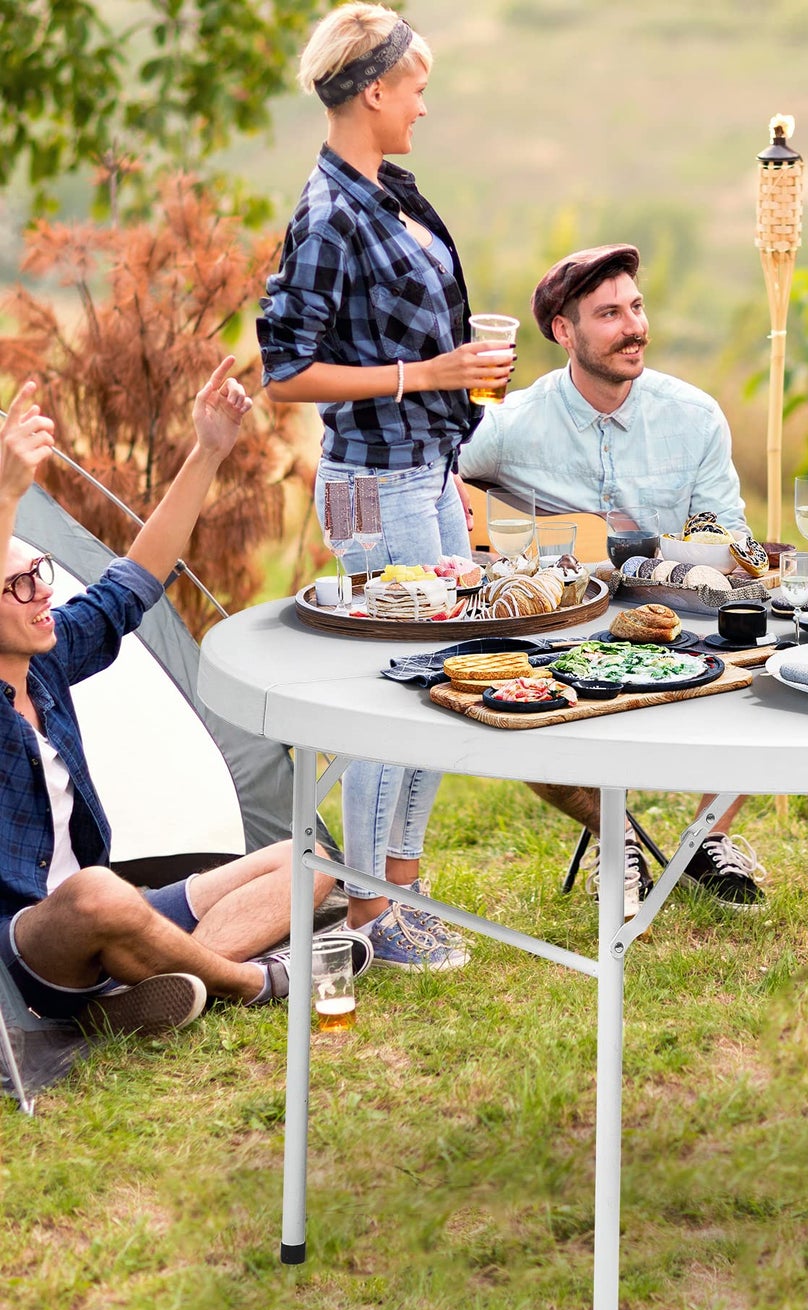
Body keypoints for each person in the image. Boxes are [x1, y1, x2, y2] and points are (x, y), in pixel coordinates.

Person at [257, 2, 514, 971]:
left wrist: (452, 380)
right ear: (373, 91)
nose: (422, 107)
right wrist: (427, 376)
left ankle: (400, 887)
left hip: (426, 468)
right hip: (377, 482)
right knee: (394, 700)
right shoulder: (326, 215)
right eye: (415, 88)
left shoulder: (388, 191)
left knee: (438, 682)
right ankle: (365, 915)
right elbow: (286, 371)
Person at [0, 367, 366, 1038]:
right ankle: (252, 981)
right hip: (29, 944)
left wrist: (208, 449)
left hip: (110, 917)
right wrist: (4, 493)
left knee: (307, 859)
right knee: (96, 892)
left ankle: (136, 995)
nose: (41, 591)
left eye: (39, 574)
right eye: (16, 585)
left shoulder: (46, 664)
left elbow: (132, 583)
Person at [459, 245, 767, 917]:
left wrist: (719, 554)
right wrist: (523, 540)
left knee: (775, 666)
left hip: (674, 615)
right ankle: (616, 834)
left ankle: (701, 840)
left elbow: (731, 538)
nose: (633, 327)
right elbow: (446, 484)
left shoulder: (692, 416)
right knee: (510, 701)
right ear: (564, 332)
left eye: (635, 307)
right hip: (565, 623)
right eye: (608, 314)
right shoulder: (513, 425)